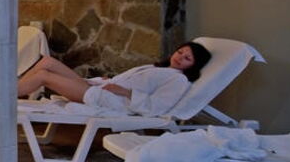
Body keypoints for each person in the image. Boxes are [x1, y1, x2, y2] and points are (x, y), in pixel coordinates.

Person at [17, 42, 212, 116]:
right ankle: (10, 91)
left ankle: (3, 98)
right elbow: (128, 81)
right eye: (180, 52)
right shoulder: (158, 68)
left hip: (112, 101)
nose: (180, 57)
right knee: (47, 62)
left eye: (187, 58)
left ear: (193, 65)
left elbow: (156, 107)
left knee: (44, 76)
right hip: (102, 88)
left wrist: (125, 92)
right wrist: (108, 80)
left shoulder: (178, 81)